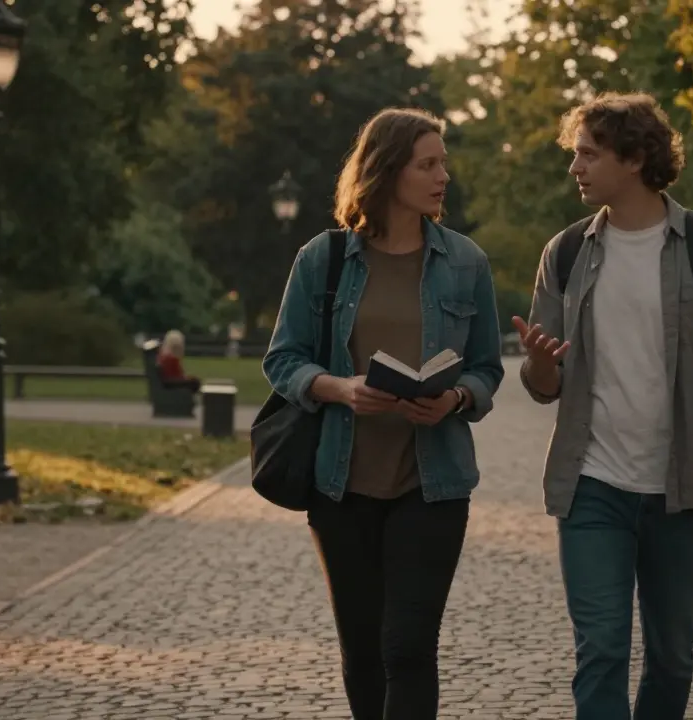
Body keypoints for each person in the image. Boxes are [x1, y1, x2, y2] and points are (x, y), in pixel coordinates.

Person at [512, 92, 693, 720]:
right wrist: (542, 366)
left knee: (672, 655)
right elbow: (545, 383)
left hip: (682, 490)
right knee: (599, 650)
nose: (575, 167)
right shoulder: (566, 252)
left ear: (633, 159)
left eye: (588, 154)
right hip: (592, 483)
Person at [262, 107, 504, 720]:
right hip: (340, 485)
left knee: (410, 648)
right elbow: (283, 358)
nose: (443, 176)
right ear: (388, 170)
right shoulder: (325, 258)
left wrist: (454, 397)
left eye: (442, 163)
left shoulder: (467, 262)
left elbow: (486, 368)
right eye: (428, 164)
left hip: (434, 483)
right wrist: (339, 388)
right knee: (363, 654)